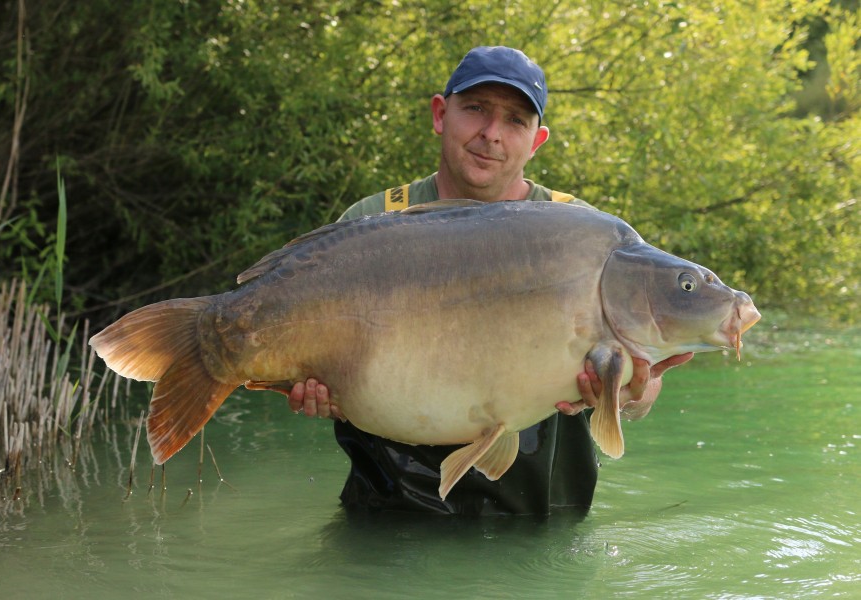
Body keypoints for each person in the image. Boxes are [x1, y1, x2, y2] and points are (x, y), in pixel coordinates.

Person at [287, 46, 692, 515]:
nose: (491, 135)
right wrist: (318, 390)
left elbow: (642, 394)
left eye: (515, 120)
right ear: (441, 114)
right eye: (476, 109)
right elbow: (309, 357)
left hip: (543, 517)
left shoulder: (582, 233)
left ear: (536, 141)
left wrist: (630, 394)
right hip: (389, 513)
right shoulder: (373, 223)